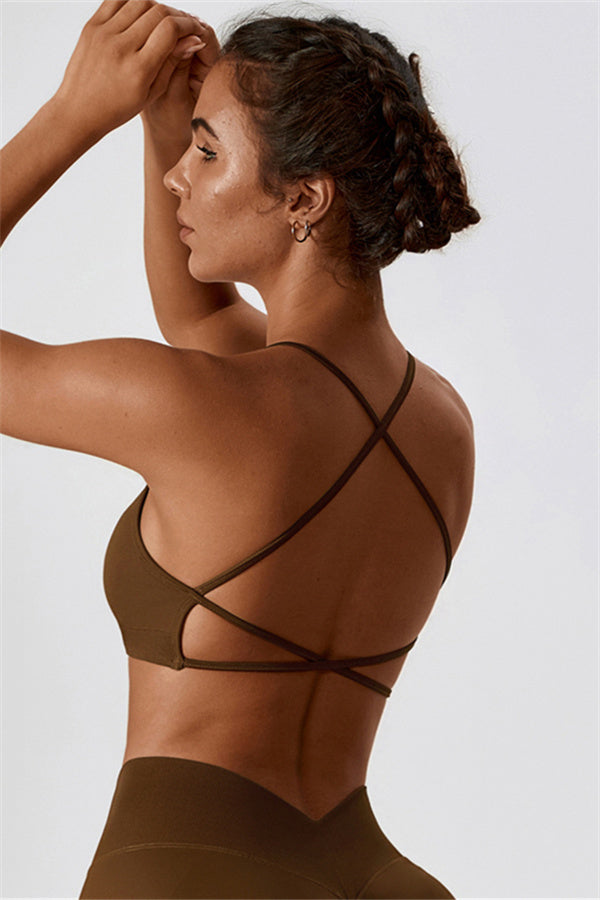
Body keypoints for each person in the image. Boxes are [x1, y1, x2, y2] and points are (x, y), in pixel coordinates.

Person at [0, 1, 479, 896]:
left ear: (305, 199)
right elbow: (202, 321)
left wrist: (73, 114)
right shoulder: (443, 424)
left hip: (189, 872)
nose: (178, 176)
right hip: (377, 879)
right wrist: (163, 124)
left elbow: (209, 354)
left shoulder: (194, 407)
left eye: (208, 152)